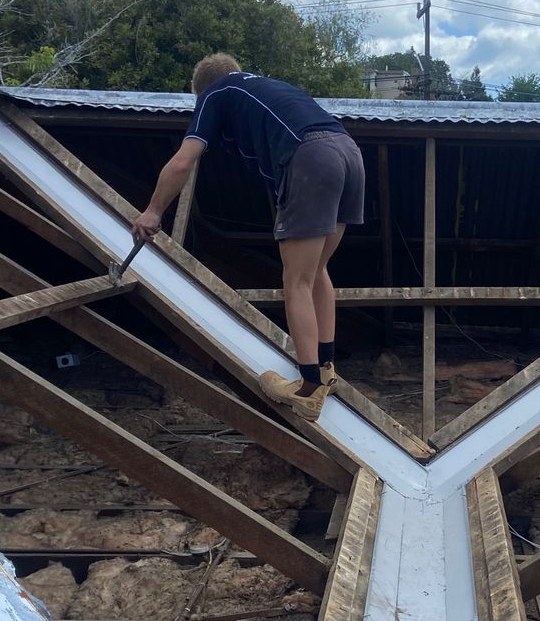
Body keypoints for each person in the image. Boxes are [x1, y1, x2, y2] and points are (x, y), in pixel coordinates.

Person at [131, 54, 365, 423]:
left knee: (296, 280)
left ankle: (307, 389)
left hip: (312, 158)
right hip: (349, 152)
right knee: (318, 270)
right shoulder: (268, 86)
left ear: (201, 89)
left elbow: (182, 161)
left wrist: (153, 211)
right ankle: (326, 370)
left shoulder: (215, 92)